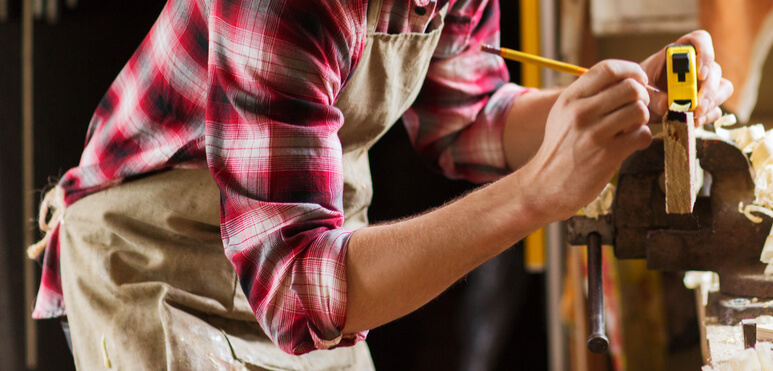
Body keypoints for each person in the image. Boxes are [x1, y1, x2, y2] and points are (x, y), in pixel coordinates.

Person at [25, 0, 733, 368]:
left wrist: (621, 105)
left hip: (305, 256)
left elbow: (467, 117)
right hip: (164, 268)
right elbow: (299, 289)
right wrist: (535, 195)